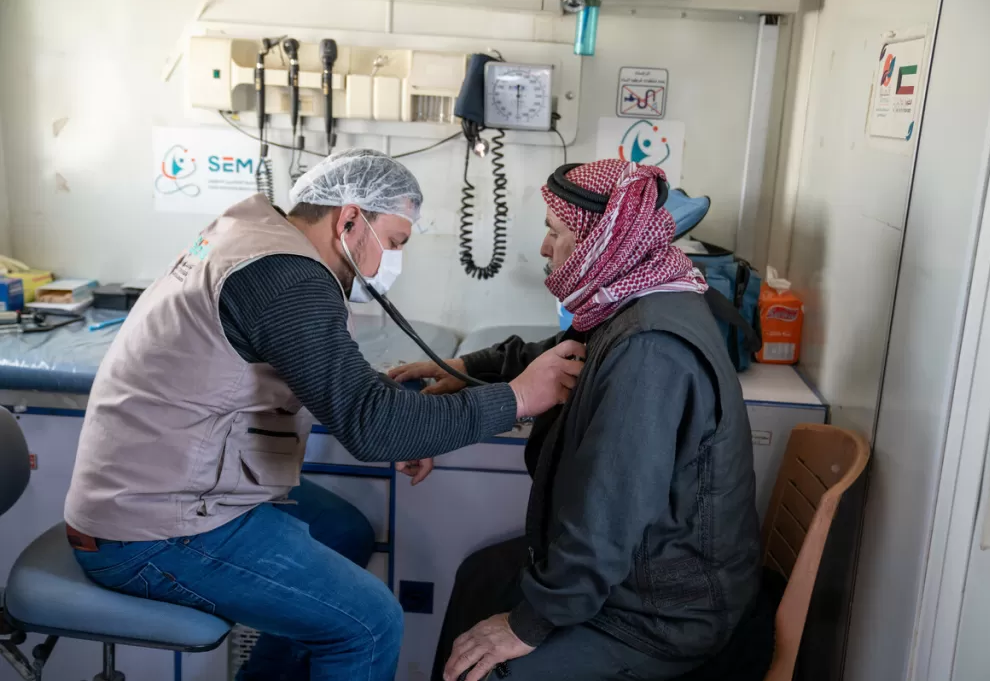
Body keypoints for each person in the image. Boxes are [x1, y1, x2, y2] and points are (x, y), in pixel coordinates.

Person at [64, 149, 584, 681]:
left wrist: (412, 419)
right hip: (152, 527)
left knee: (343, 532)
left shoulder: (254, 238)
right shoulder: (286, 276)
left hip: (157, 485)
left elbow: (339, 391)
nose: (390, 262)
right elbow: (372, 427)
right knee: (370, 622)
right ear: (351, 218)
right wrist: (517, 398)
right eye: (396, 242)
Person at [390, 159, 765, 681]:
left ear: (599, 240)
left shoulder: (650, 352)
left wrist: (527, 625)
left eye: (554, 231)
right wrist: (466, 366)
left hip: (659, 611)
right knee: (479, 576)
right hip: (635, 573)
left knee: (483, 673)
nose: (545, 248)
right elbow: (564, 351)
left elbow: (608, 513)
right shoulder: (637, 297)